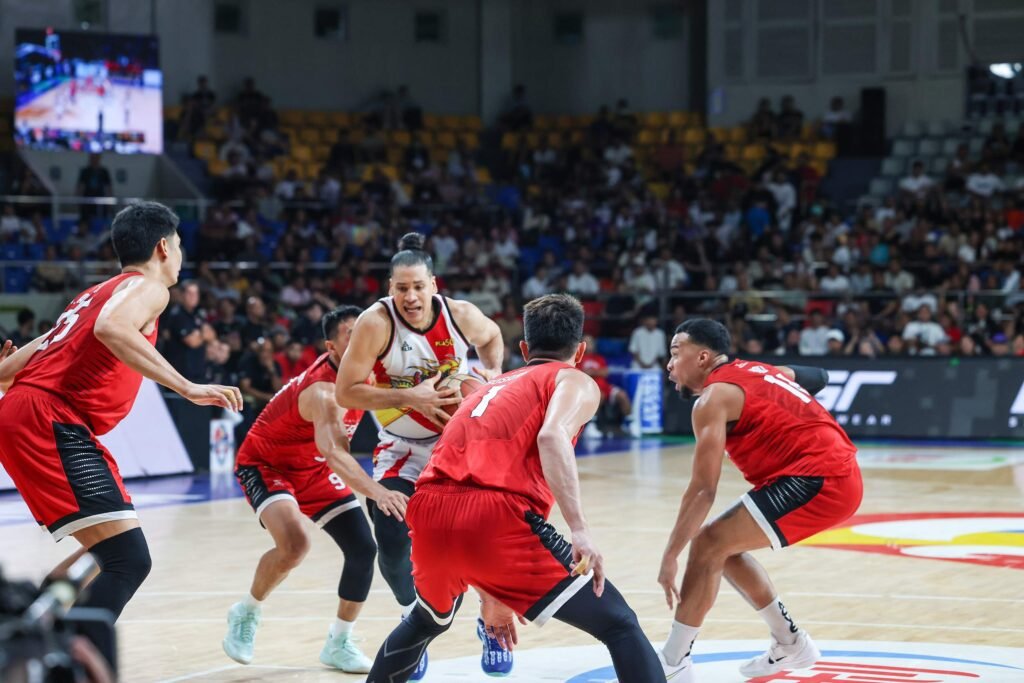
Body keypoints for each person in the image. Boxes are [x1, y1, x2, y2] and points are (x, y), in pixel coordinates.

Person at [365, 294, 663, 682]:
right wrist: (579, 530)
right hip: (496, 519)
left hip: (429, 510)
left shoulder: (492, 386)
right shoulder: (573, 379)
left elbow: (466, 494)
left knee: (425, 621)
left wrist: (496, 589)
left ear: (523, 349)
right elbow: (552, 438)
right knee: (619, 624)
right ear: (580, 350)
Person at [0, 202, 242, 666]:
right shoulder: (148, 287)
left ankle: (24, 628)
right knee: (128, 559)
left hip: (31, 411)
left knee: (105, 554)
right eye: (180, 245)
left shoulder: (92, 294)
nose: (181, 255)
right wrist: (188, 387)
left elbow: (8, 372)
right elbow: (113, 328)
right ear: (162, 247)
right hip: (50, 420)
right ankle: (57, 662)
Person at [335, 232, 505, 678]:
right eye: (401, 288)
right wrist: (411, 395)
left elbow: (493, 338)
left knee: (481, 537)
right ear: (389, 289)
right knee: (390, 538)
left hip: (460, 443)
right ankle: (417, 622)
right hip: (403, 446)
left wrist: (493, 373)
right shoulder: (376, 323)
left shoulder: (461, 315)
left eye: (417, 286)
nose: (410, 296)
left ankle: (490, 621)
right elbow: (345, 389)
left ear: (434, 284)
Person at [656, 318, 862, 681]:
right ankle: (790, 643)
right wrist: (779, 382)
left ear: (703, 357)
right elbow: (819, 376)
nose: (669, 364)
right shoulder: (762, 370)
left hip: (819, 477)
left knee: (706, 544)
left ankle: (673, 664)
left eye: (676, 353)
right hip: (833, 473)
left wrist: (671, 555)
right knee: (723, 547)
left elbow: (703, 490)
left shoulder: (712, 399)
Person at [223, 306, 408, 673]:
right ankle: (246, 611)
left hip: (315, 468)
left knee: (362, 548)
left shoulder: (371, 370)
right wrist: (378, 491)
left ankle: (339, 641)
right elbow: (336, 453)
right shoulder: (323, 391)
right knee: (296, 545)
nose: (361, 340)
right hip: (267, 464)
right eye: (350, 335)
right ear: (332, 346)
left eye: (364, 332)